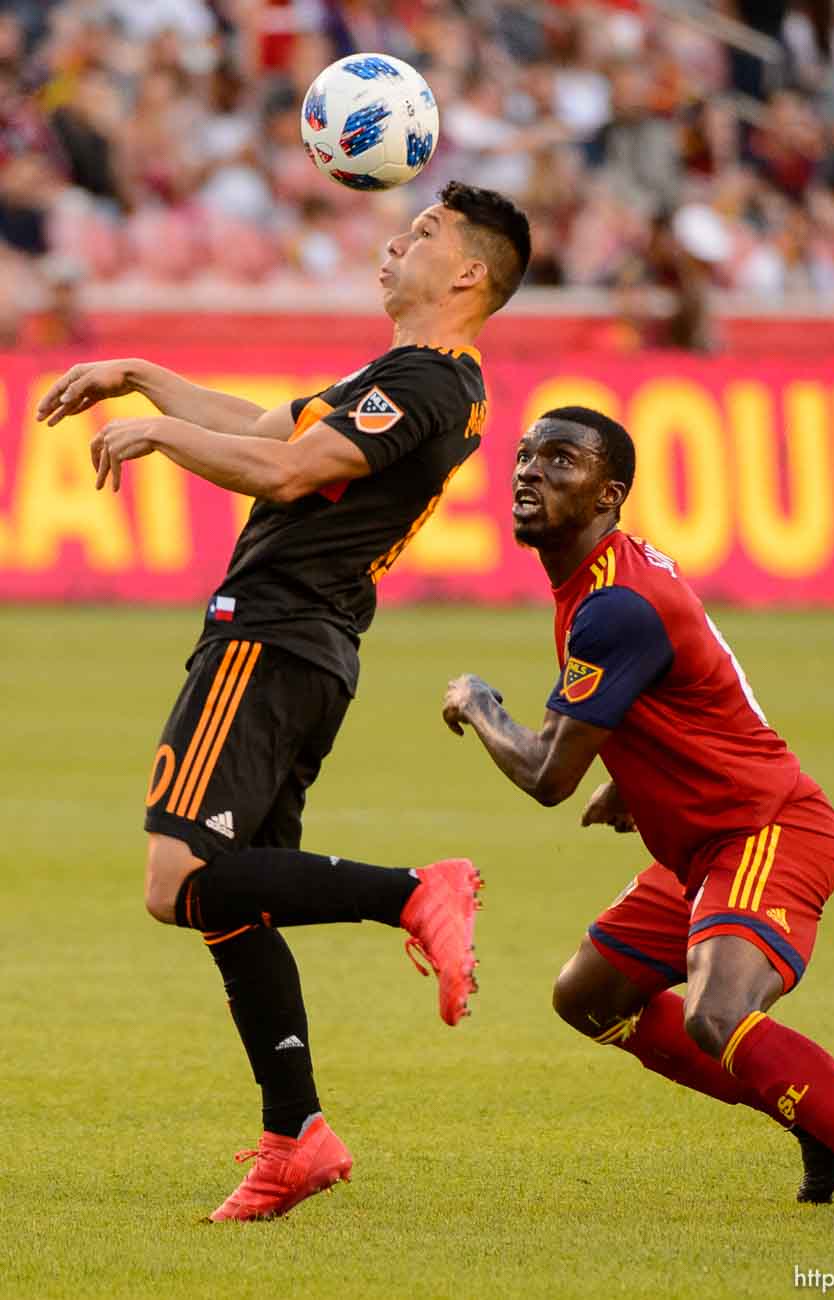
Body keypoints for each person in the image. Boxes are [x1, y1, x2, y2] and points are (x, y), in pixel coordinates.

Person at [36, 180, 532, 1223]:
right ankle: (294, 1131)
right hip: (308, 646)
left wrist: (155, 437)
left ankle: (415, 890)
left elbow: (289, 468)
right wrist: (140, 377)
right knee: (236, 902)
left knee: (179, 883)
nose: (397, 241)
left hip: (267, 636)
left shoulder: (430, 384)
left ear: (470, 274)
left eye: (427, 233)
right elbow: (258, 422)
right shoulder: (404, 378)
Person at [441, 405, 834, 1230]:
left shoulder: (613, 603)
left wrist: (481, 705)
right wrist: (634, 784)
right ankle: (824, 1113)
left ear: (607, 494)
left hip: (766, 831)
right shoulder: (599, 581)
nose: (528, 472)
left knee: (716, 1014)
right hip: (703, 847)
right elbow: (688, 685)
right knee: (589, 996)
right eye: (523, 456)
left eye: (559, 460)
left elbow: (547, 773)